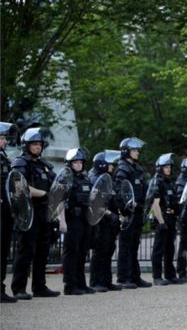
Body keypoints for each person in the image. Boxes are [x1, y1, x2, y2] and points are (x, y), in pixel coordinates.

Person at [10, 127, 61, 299]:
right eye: (34, 144)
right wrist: (44, 194)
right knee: (25, 251)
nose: (38, 147)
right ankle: (19, 288)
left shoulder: (44, 166)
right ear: (26, 145)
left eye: (40, 144)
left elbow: (57, 186)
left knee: (42, 251)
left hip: (44, 212)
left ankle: (39, 287)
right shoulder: (20, 163)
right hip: (28, 212)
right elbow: (20, 187)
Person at [114, 137, 151, 289]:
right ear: (126, 151)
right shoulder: (123, 168)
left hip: (138, 211)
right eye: (134, 150)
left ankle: (135, 276)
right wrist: (125, 207)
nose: (137, 152)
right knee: (125, 245)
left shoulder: (137, 168)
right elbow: (120, 191)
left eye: (137, 150)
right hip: (128, 213)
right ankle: (123, 277)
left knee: (134, 245)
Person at [59, 148, 94, 295]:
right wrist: (62, 221)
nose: (79, 165)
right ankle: (70, 285)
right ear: (70, 163)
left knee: (82, 252)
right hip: (71, 218)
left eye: (80, 162)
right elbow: (59, 200)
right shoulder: (65, 178)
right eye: (76, 162)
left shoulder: (85, 179)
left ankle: (81, 283)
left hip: (84, 219)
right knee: (71, 252)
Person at [88, 150, 123, 292]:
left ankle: (106, 280)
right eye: (110, 164)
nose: (113, 167)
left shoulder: (109, 179)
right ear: (102, 165)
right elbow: (94, 202)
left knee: (109, 250)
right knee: (100, 251)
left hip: (110, 221)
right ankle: (96, 281)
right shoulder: (95, 179)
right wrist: (108, 213)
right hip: (100, 220)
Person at [150, 153, 180, 285]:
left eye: (169, 167)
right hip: (162, 218)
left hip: (171, 218)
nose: (168, 169)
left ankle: (170, 275)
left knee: (170, 249)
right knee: (159, 249)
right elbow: (155, 203)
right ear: (159, 168)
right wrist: (161, 222)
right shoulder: (157, 182)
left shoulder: (169, 182)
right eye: (166, 167)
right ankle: (157, 277)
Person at [0, 122, 18, 303]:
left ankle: (0, 287)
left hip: (5, 210)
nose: (5, 141)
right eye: (2, 138)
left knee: (3, 249)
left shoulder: (4, 159)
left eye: (5, 138)